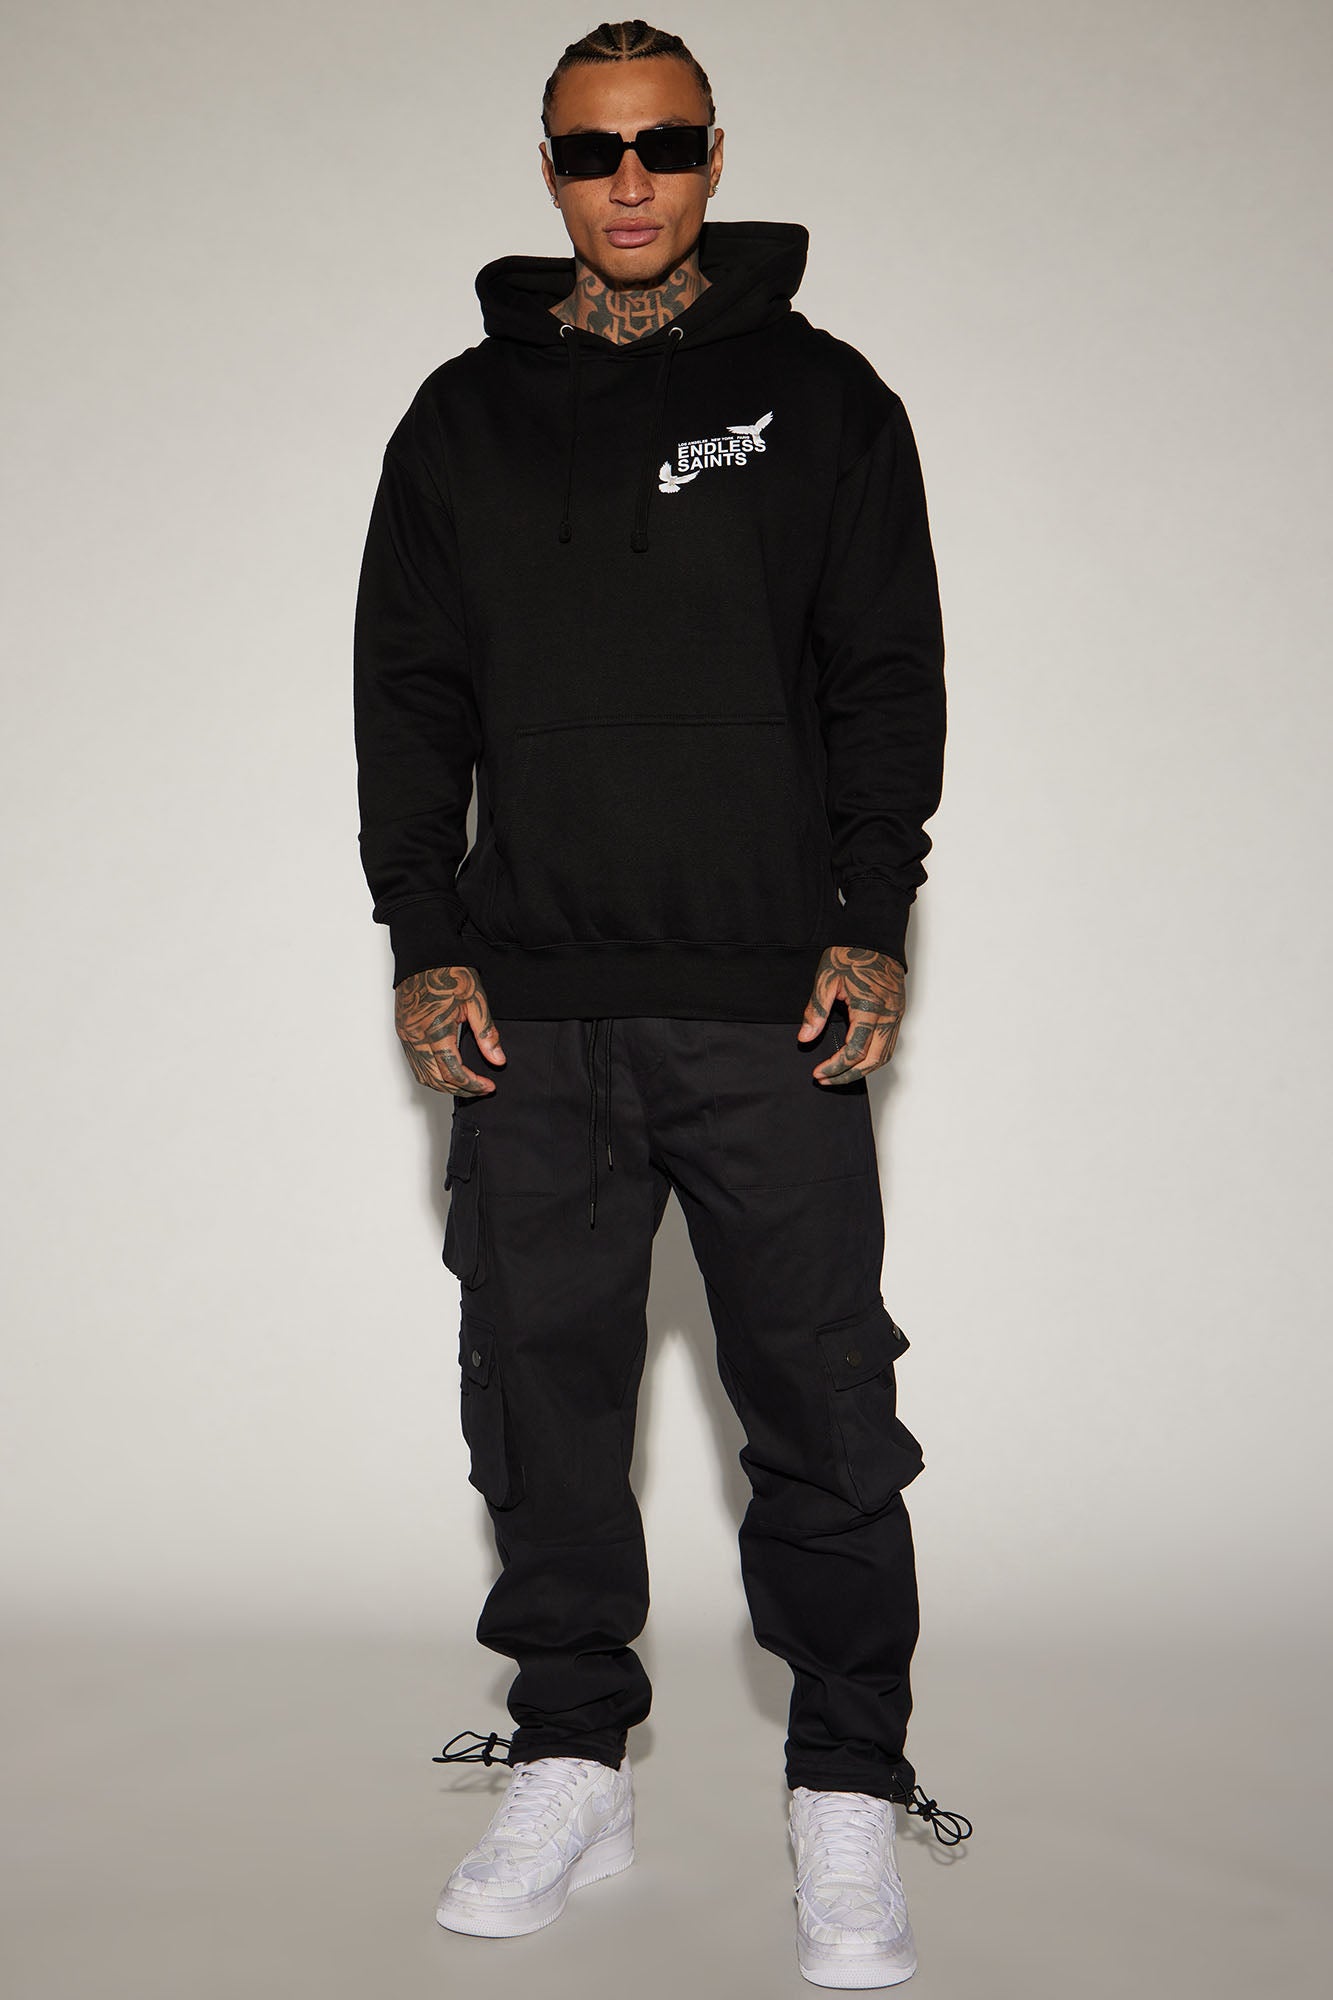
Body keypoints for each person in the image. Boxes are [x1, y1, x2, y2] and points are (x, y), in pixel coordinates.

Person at [353, 15, 971, 1988]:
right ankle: (568, 1753)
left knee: (821, 1403)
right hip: (527, 1010)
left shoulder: (824, 400)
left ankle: (846, 1776)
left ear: (712, 155)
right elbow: (409, 700)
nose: (628, 181)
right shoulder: (460, 420)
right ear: (546, 165)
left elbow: (884, 681)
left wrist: (872, 919)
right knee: (539, 1405)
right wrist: (422, 935)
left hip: (766, 1002)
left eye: (665, 143)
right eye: (590, 149)